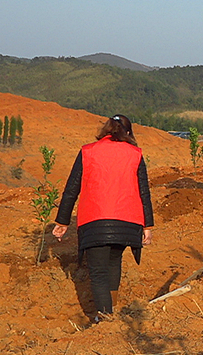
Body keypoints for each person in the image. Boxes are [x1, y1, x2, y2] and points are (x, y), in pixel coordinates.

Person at [52, 114, 154, 321]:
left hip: (95, 220)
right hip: (127, 222)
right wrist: (147, 225)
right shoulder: (135, 154)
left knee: (98, 272)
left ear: (106, 129)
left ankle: (106, 319)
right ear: (128, 132)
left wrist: (62, 221)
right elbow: (144, 191)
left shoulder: (88, 152)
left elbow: (72, 189)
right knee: (114, 263)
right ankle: (111, 311)